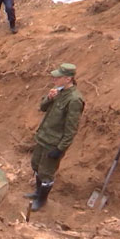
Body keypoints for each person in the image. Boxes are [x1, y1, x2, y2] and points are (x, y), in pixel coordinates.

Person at [25, 63, 84, 211]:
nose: (54, 80)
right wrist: (49, 98)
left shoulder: (74, 100)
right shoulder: (58, 92)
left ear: (68, 79)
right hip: (44, 137)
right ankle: (37, 193)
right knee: (36, 165)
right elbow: (42, 108)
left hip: (54, 143)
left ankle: (42, 200)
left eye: (58, 77)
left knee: (46, 173)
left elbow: (71, 128)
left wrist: (60, 148)